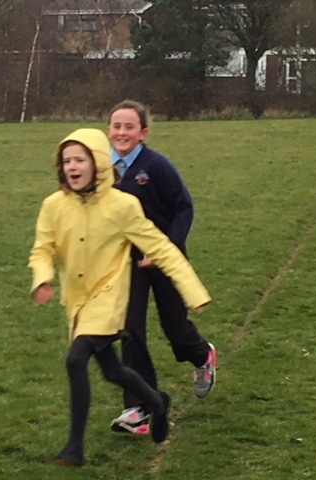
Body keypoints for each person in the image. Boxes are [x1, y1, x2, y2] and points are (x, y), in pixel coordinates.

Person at [28, 127, 211, 467]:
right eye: (66, 160)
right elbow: (42, 249)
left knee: (75, 360)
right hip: (78, 300)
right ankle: (156, 402)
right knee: (111, 369)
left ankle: (73, 447)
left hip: (110, 297)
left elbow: (161, 248)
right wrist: (43, 278)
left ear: (97, 163)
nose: (72, 166)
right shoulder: (53, 205)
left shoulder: (123, 205)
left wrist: (192, 290)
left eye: (80, 159)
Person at [108, 99, 218, 436]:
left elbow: (184, 207)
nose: (122, 132)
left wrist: (168, 246)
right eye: (116, 126)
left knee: (175, 328)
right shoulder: (103, 170)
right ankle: (138, 407)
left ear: (143, 132)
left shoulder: (156, 166)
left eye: (129, 127)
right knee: (130, 330)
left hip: (165, 256)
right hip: (128, 261)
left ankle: (202, 357)